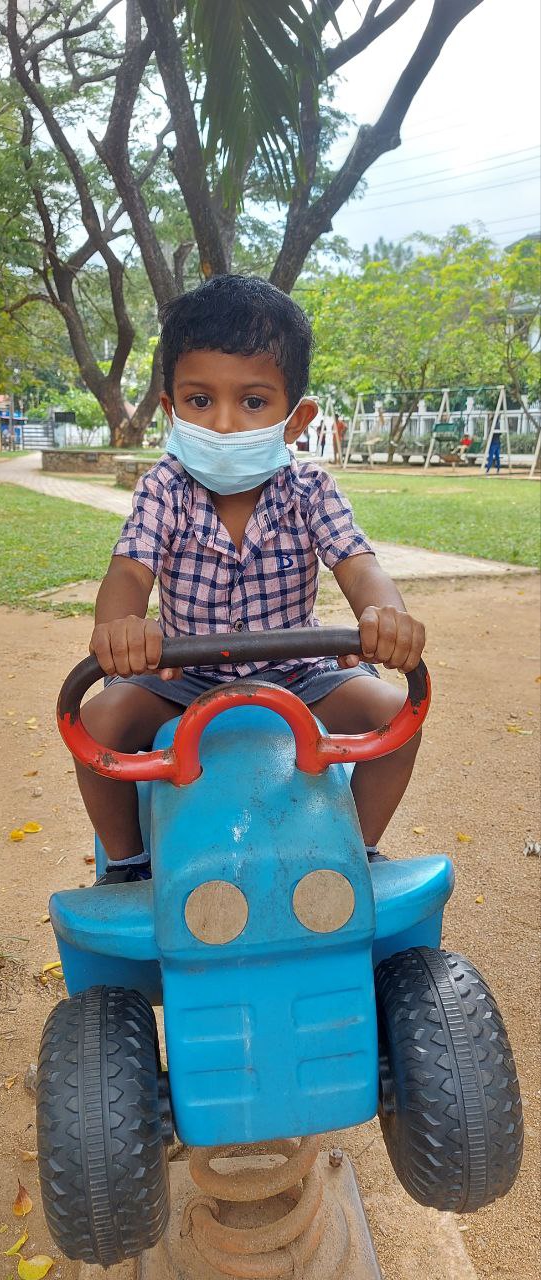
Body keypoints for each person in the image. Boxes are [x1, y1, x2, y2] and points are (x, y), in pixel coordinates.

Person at [75, 275, 425, 885]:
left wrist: (384, 614)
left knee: (397, 714)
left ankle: (355, 850)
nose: (226, 424)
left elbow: (359, 565)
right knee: (97, 722)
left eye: (255, 402)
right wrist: (121, 626)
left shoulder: (310, 491)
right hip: (186, 676)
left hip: (300, 675)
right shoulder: (164, 487)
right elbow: (128, 571)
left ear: (296, 419)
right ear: (170, 410)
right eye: (200, 400)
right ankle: (128, 864)